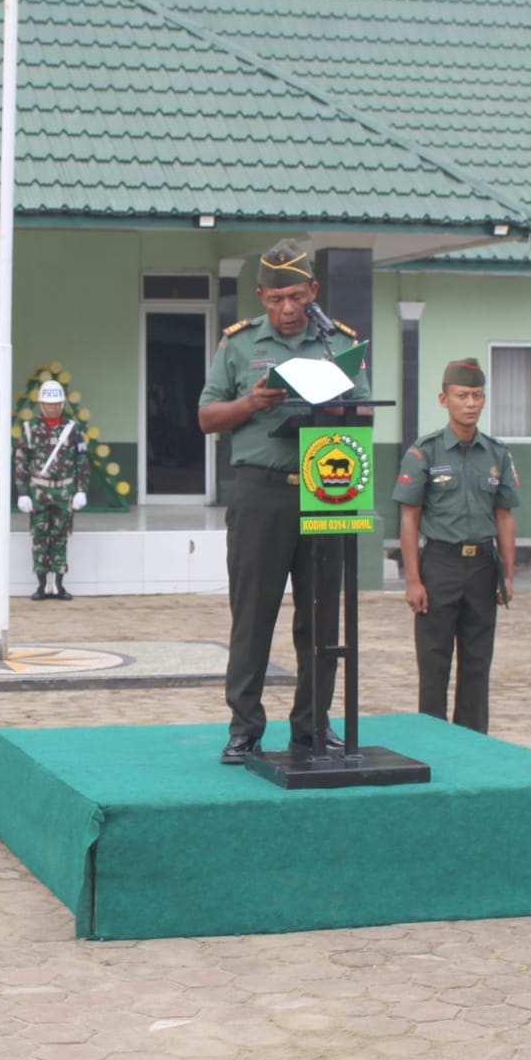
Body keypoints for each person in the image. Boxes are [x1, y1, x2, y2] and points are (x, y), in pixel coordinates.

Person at [198, 241, 371, 764]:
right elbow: (206, 417)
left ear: (312, 292)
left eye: (296, 296)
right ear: (261, 298)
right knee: (253, 614)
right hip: (261, 492)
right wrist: (252, 402)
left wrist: (336, 405)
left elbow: (364, 413)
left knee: (321, 617)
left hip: (326, 488)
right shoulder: (239, 345)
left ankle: (312, 724)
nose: (287, 309)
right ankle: (244, 727)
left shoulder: (336, 344)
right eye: (275, 299)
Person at [395, 357, 520, 734]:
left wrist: (509, 575)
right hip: (440, 565)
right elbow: (409, 519)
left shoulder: (497, 454)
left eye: (477, 395)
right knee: (433, 663)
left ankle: (473, 742)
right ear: (443, 399)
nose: (470, 403)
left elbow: (505, 517)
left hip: (483, 566)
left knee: (478, 663)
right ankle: (433, 742)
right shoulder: (425, 452)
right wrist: (414, 580)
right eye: (462, 395)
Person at [14, 379, 90, 600]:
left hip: (64, 491)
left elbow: (81, 462)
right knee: (39, 537)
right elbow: (20, 463)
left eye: (56, 403)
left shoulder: (73, 430)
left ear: (62, 404)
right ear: (40, 405)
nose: (52, 407)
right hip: (39, 491)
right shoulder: (29, 430)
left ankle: (58, 584)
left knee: (60, 537)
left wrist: (81, 490)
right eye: (48, 403)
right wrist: (22, 493)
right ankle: (40, 585)